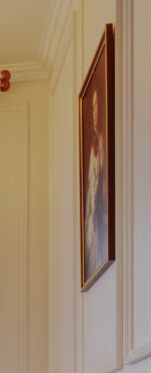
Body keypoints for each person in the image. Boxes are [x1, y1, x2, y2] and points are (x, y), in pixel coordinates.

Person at [83, 84, 107, 282]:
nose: (95, 112)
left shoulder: (103, 142)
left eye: (98, 106)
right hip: (94, 228)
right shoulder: (93, 147)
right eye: (93, 107)